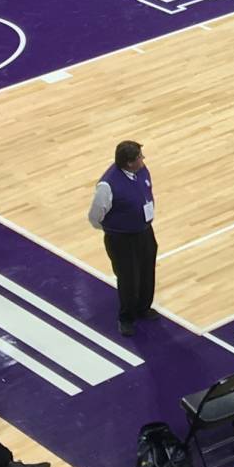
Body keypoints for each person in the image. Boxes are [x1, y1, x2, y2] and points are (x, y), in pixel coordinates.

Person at [87, 140, 158, 328]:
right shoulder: (107, 185)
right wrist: (115, 229)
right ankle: (126, 318)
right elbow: (95, 216)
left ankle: (143, 307)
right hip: (122, 239)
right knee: (128, 278)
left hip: (144, 232)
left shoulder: (141, 170)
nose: (143, 159)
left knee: (146, 271)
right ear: (129, 162)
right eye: (139, 157)